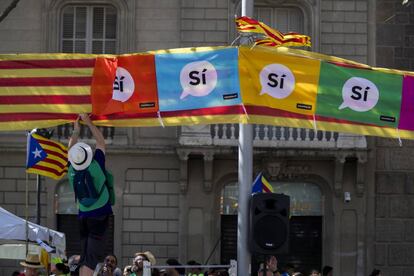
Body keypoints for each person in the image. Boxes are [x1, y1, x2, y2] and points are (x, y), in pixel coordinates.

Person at [68, 113, 115, 276]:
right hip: (100, 214)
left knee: (85, 254)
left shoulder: (72, 170)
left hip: (83, 215)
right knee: (91, 257)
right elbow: (101, 141)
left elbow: (70, 149)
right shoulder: (96, 164)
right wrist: (88, 123)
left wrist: (75, 132)